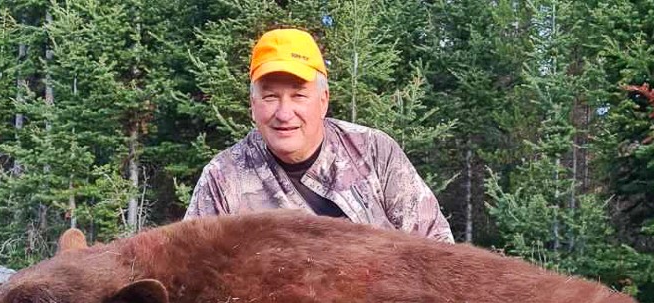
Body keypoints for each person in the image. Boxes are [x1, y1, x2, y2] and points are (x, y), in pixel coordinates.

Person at [184, 28, 454, 243]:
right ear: (253, 105)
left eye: (298, 95)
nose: (284, 112)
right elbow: (192, 270)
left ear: (323, 101)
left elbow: (437, 248)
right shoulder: (222, 178)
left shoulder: (374, 152)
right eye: (270, 97)